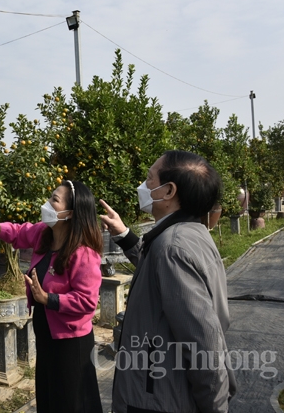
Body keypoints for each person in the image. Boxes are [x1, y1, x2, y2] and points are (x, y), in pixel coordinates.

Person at [100, 150, 236, 413]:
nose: (144, 185)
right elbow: (161, 276)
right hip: (162, 391)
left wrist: (216, 409)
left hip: (157, 398)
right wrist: (125, 235)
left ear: (168, 191)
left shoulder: (172, 247)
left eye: (150, 178)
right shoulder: (191, 234)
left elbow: (203, 343)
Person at [0, 180, 104, 413]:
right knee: (49, 394)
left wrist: (49, 298)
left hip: (70, 340)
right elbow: (19, 232)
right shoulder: (44, 235)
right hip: (46, 332)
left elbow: (87, 301)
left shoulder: (83, 253)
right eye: (50, 197)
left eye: (54, 200)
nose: (47, 204)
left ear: (70, 213)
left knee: (72, 401)